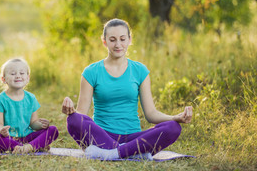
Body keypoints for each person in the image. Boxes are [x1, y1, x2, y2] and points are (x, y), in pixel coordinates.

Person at [61, 18, 193, 160]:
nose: (118, 44)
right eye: (112, 40)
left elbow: (151, 114)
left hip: (133, 137)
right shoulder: (91, 72)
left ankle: (113, 153)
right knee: (73, 120)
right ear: (104, 41)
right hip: (102, 135)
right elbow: (82, 115)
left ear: (130, 40)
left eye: (122, 39)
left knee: (173, 127)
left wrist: (175, 118)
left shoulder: (140, 71)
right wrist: (71, 111)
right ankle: (132, 153)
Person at [0, 58, 59, 153]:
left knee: (53, 130)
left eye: (22, 73)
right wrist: (1, 130)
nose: (18, 76)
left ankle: (27, 148)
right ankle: (33, 146)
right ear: (4, 79)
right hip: (9, 138)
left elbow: (33, 123)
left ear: (27, 78)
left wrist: (41, 125)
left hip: (28, 137)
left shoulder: (31, 98)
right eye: (13, 73)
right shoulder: (0, 100)